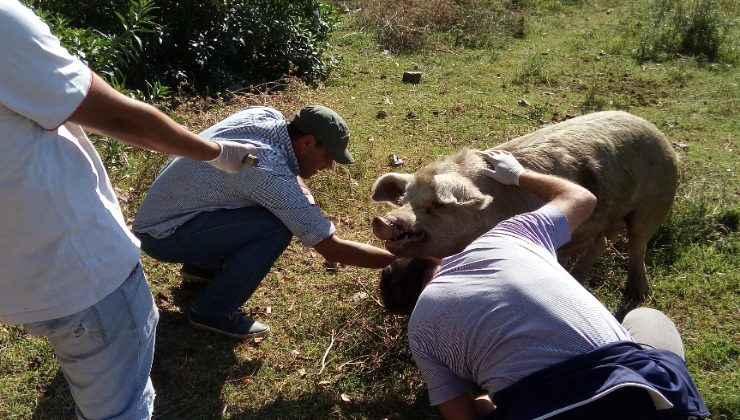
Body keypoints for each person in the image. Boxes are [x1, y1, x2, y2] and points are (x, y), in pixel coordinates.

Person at [0, 1, 259, 418]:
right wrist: (218, 152)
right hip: (83, 271)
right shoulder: (1, 23)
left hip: (18, 282)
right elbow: (121, 117)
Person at [379, 150, 709, 419]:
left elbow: (462, 417)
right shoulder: (512, 235)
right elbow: (580, 197)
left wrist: (493, 398)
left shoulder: (421, 330)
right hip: (637, 395)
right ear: (436, 259)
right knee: (647, 319)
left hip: (535, 409)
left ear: (411, 308)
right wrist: (518, 174)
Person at [133, 104, 396, 339]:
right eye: (327, 156)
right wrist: (403, 262)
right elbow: (332, 248)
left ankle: (202, 267)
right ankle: (212, 312)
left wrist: (300, 191)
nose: (328, 166)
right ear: (306, 143)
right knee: (275, 228)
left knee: (257, 210)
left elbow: (287, 173)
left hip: (169, 214)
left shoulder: (265, 115)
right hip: (165, 235)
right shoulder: (265, 169)